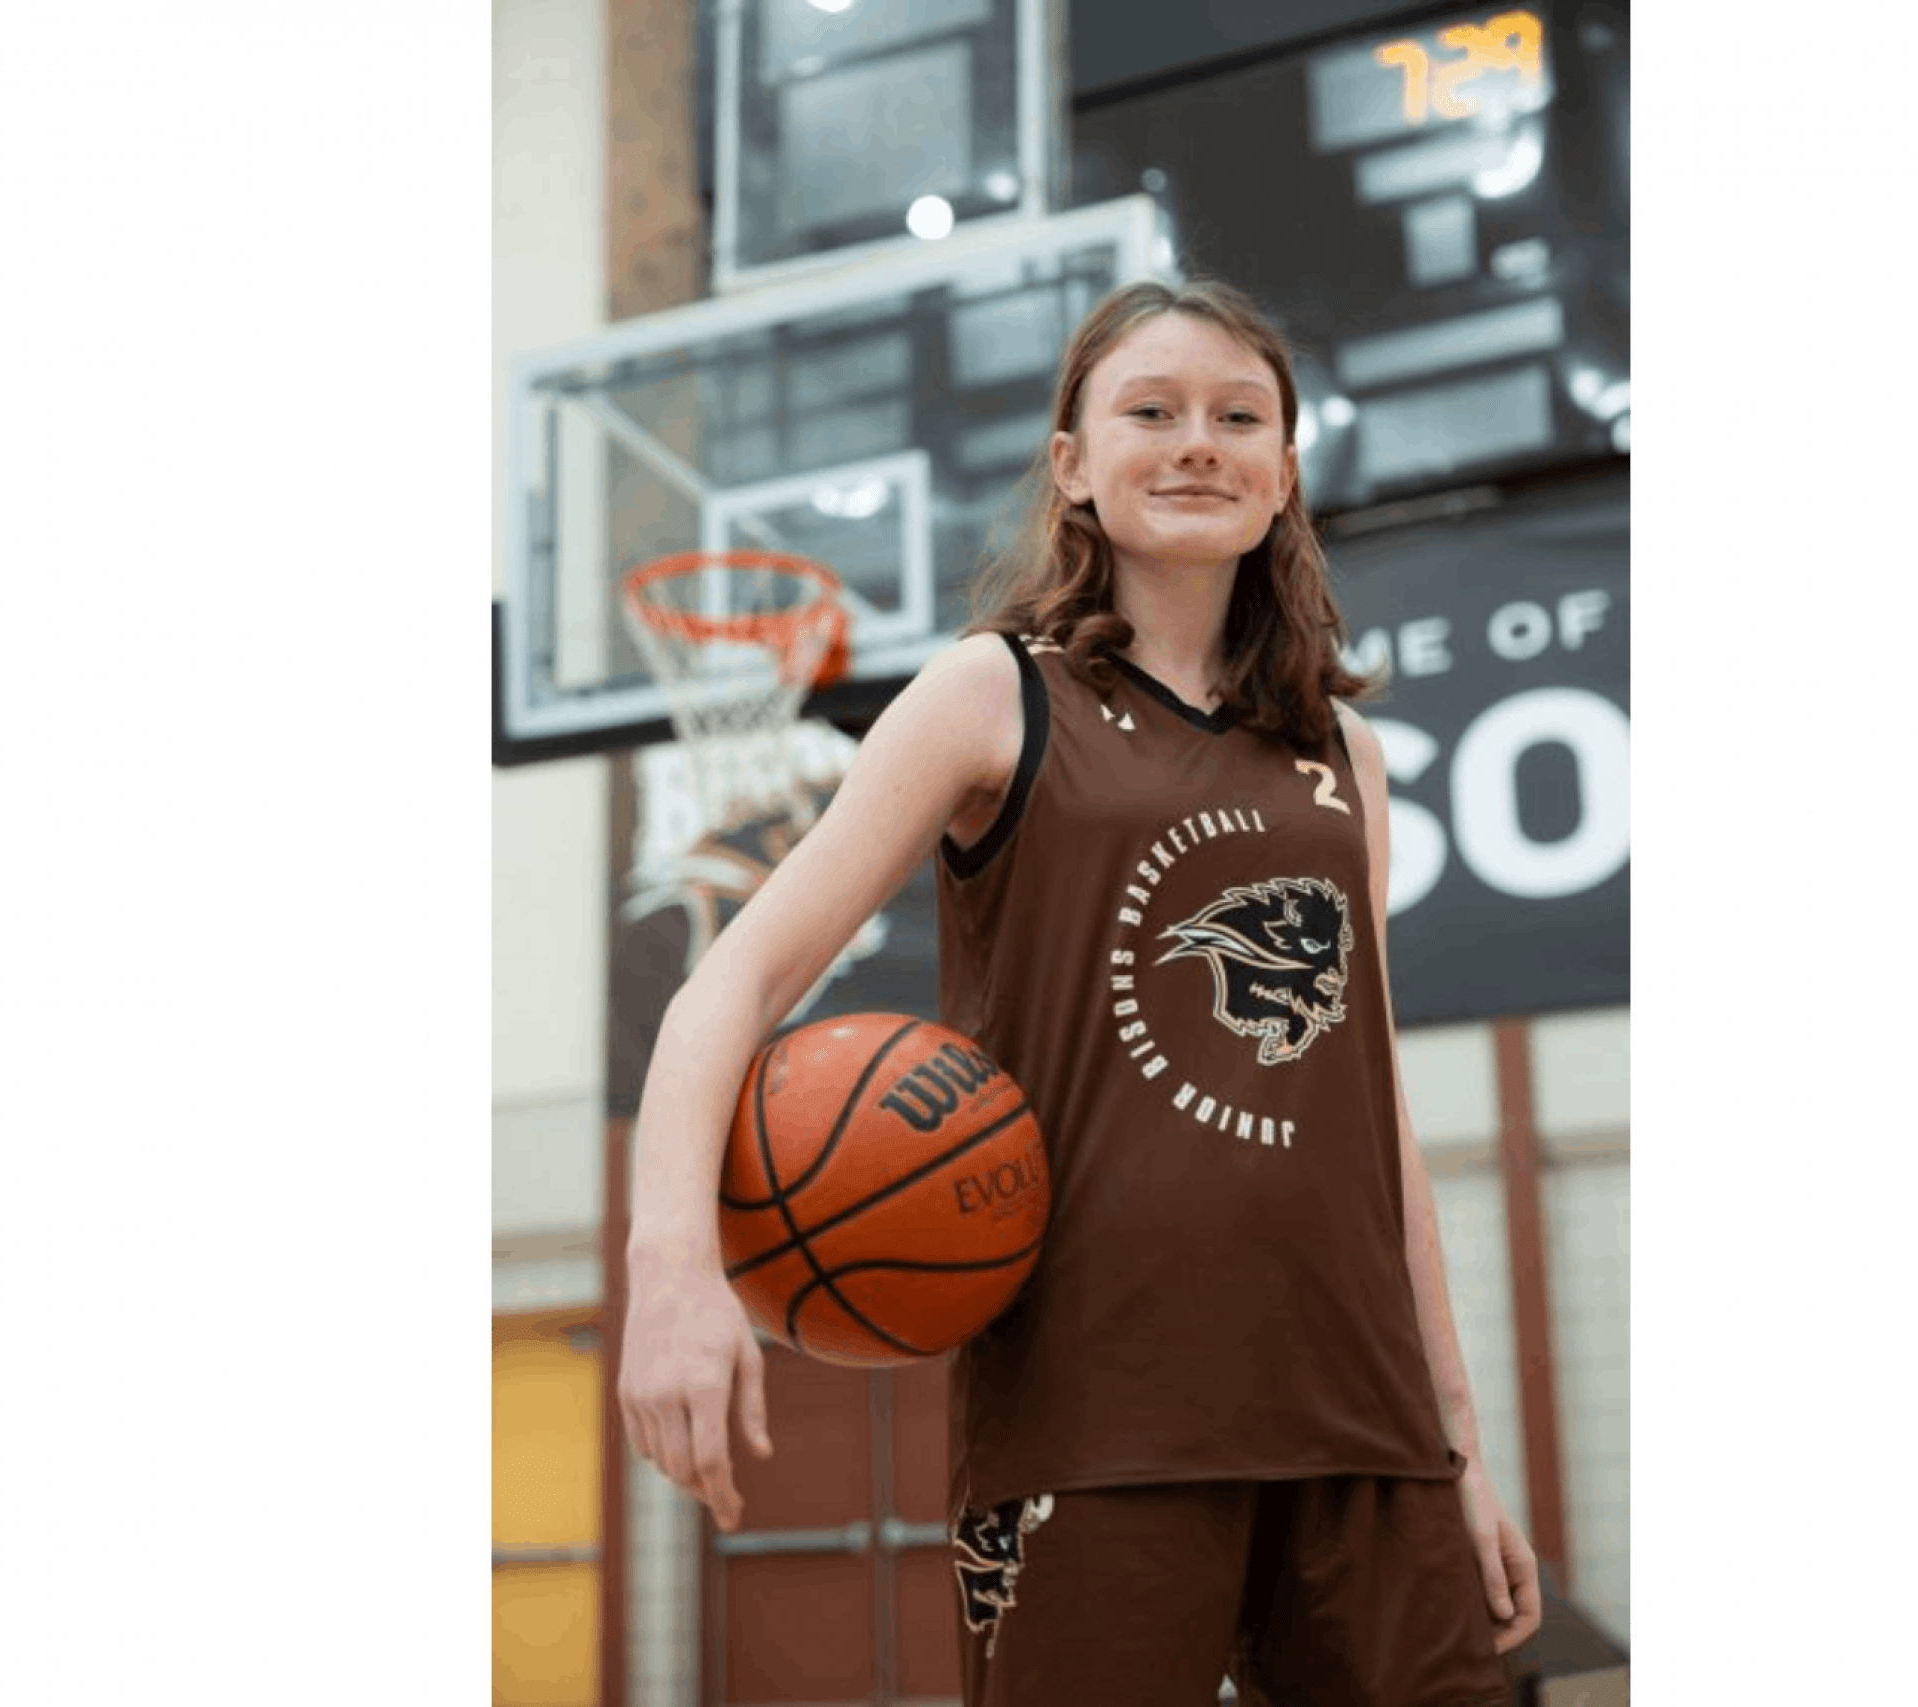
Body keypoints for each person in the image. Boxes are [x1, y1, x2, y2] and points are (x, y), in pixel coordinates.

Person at [618, 278, 1544, 1704]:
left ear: (1285, 470)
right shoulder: (993, 696)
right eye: (1151, 411)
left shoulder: (1337, 751)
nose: (1198, 444)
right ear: (1073, 465)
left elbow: (1376, 1121)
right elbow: (732, 980)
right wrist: (671, 1267)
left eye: (1241, 417)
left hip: (1365, 1429)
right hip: (1093, 1424)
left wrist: (1462, 1441)